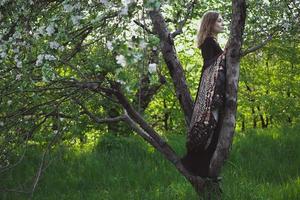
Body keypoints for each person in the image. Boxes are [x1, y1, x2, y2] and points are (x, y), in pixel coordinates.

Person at [180, 10, 228, 178]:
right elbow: (211, 65)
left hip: (213, 90)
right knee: (209, 127)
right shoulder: (208, 42)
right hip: (210, 91)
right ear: (210, 24)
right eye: (219, 21)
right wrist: (227, 53)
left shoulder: (211, 41)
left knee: (213, 129)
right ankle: (197, 168)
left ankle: (203, 170)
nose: (223, 24)